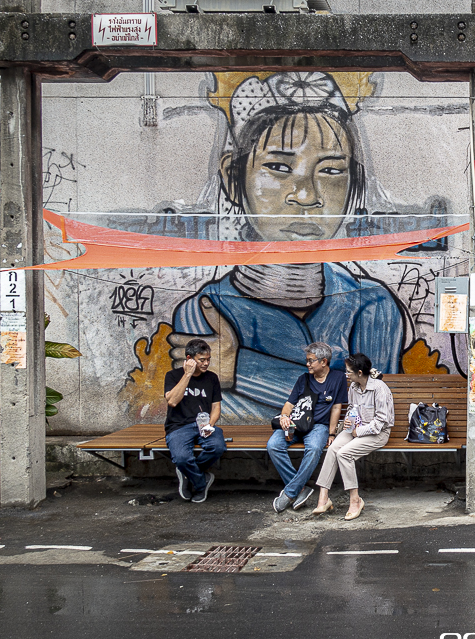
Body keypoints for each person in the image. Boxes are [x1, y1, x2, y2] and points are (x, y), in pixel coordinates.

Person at [166, 72, 404, 420]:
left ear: (354, 183)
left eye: (331, 171)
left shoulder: (371, 305)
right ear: (232, 177)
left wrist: (240, 367)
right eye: (278, 167)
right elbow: (209, 416)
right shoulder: (204, 310)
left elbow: (371, 407)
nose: (307, 196)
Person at [312, 353, 394, 520]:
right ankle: (323, 498)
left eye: (349, 372)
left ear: (360, 372)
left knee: (344, 454)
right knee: (333, 448)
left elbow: (380, 422)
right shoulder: (354, 388)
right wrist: (349, 420)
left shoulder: (379, 389)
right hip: (356, 429)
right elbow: (352, 409)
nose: (346, 375)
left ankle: (355, 500)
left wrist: (358, 431)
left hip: (377, 433)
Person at [268, 342, 347, 513]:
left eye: (311, 361)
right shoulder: (303, 379)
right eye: (307, 360)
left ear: (323, 361)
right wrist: (284, 417)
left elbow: (336, 407)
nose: (307, 364)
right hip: (296, 424)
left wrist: (332, 433)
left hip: (319, 426)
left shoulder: (338, 378)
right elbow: (289, 404)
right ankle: (300, 489)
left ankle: (290, 493)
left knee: (314, 448)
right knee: (273, 445)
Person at [164, 338, 227, 503]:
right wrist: (188, 374)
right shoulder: (172, 376)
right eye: (202, 360)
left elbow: (216, 407)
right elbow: (172, 401)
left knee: (217, 447)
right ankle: (201, 482)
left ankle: (187, 473)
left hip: (204, 425)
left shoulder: (211, 378)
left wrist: (210, 425)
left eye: (208, 359)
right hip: (179, 426)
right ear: (189, 358)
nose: (206, 363)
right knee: (182, 458)